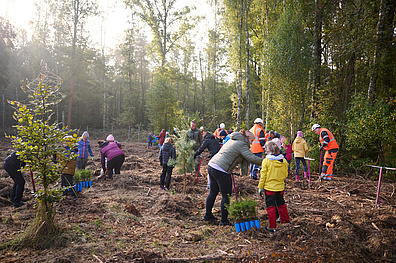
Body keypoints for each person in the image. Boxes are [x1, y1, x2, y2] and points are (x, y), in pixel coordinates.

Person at [204, 130, 263, 226]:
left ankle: (208, 215)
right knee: (226, 196)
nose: (252, 143)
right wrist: (265, 161)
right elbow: (251, 158)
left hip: (212, 165)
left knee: (213, 192)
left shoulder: (233, 140)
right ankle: (224, 221)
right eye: (252, 140)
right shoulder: (242, 144)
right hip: (221, 169)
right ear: (247, 138)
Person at [258, 141, 290, 232]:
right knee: (281, 204)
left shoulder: (266, 161)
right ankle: (286, 221)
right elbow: (285, 174)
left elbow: (263, 175)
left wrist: (260, 187)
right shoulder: (283, 160)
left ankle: (272, 227)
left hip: (269, 188)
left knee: (270, 207)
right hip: (280, 187)